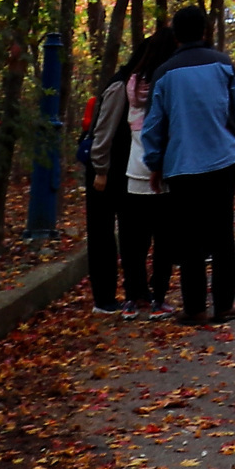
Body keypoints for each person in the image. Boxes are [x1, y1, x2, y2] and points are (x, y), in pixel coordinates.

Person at [142, 4, 235, 325]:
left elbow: (153, 126)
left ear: (175, 35)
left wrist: (154, 163)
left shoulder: (164, 73)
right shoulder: (223, 65)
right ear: (205, 30)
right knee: (221, 234)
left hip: (181, 167)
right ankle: (224, 305)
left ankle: (194, 308)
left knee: (189, 237)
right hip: (221, 160)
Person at [123, 25, 179, 316]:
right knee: (164, 240)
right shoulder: (168, 83)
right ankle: (159, 297)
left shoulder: (133, 83)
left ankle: (133, 297)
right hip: (164, 169)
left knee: (135, 239)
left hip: (135, 167)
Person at [87, 53, 140, 315]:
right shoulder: (120, 87)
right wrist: (100, 169)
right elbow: (103, 131)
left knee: (123, 229)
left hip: (119, 169)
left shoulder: (131, 85)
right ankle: (104, 298)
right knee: (102, 233)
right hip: (105, 171)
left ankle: (127, 293)